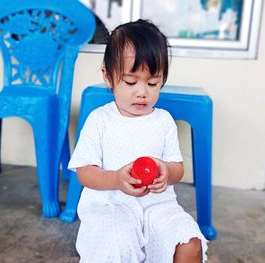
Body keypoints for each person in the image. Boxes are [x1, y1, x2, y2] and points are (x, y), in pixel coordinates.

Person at [68, 19, 208, 262]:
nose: (142, 92)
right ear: (109, 78)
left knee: (189, 244)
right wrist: (115, 178)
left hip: (158, 207)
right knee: (115, 246)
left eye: (153, 83)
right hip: (111, 206)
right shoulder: (100, 119)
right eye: (131, 82)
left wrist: (166, 171)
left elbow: (178, 169)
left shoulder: (163, 121)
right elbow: (85, 173)